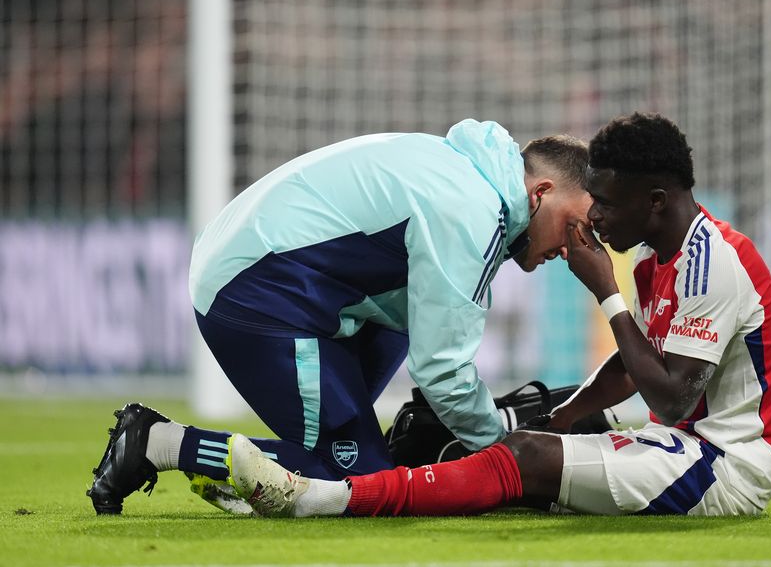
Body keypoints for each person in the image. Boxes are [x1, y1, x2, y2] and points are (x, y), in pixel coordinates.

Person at [226, 112, 771, 517]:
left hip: (722, 464)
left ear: (656, 201)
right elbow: (631, 365)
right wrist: (564, 416)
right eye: (592, 205)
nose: (591, 228)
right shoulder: (655, 258)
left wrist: (607, 294)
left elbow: (671, 395)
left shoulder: (711, 260)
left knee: (515, 456)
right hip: (267, 294)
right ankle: (184, 448)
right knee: (527, 444)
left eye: (607, 206)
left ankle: (329, 495)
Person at [86, 119, 592, 515]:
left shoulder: (469, 177)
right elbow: (441, 370)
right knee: (358, 482)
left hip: (291, 284)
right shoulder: (473, 208)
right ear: (541, 192)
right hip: (259, 292)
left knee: (363, 455)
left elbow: (420, 323)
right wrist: (505, 459)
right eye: (575, 227)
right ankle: (160, 442)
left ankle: (319, 457)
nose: (572, 249)